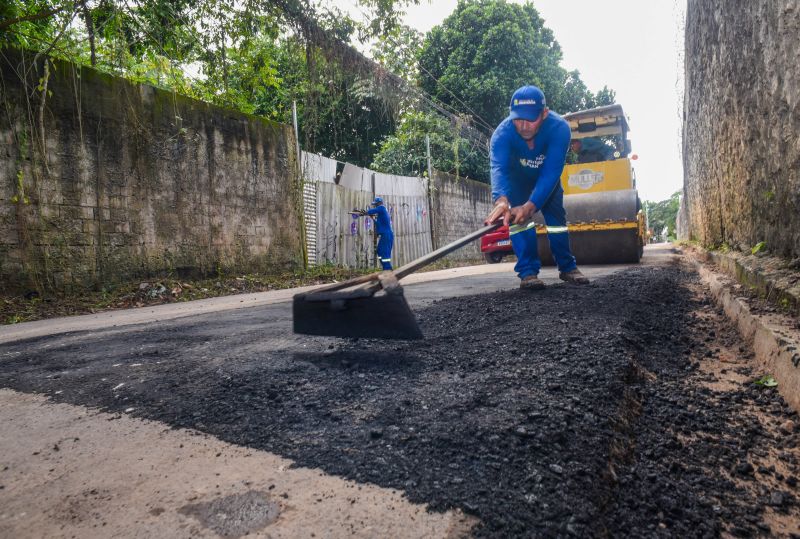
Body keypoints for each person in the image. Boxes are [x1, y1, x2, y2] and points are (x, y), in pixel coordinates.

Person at [484, 85, 590, 290]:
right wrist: (502, 200)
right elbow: (499, 168)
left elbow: (552, 172)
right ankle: (528, 273)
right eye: (517, 119)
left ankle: (568, 268)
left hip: (546, 180)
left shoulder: (559, 129)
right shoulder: (501, 135)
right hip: (517, 182)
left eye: (530, 119)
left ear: (544, 113)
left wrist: (531, 206)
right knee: (519, 222)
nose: (523, 126)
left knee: (557, 223)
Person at [367, 197, 394, 270]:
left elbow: (371, 211)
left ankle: (388, 270)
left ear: (379, 203)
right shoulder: (381, 213)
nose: (375, 206)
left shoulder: (381, 208)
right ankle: (385, 268)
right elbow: (378, 224)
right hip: (384, 235)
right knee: (379, 250)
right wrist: (373, 218)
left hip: (387, 234)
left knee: (385, 253)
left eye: (375, 204)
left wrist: (366, 212)